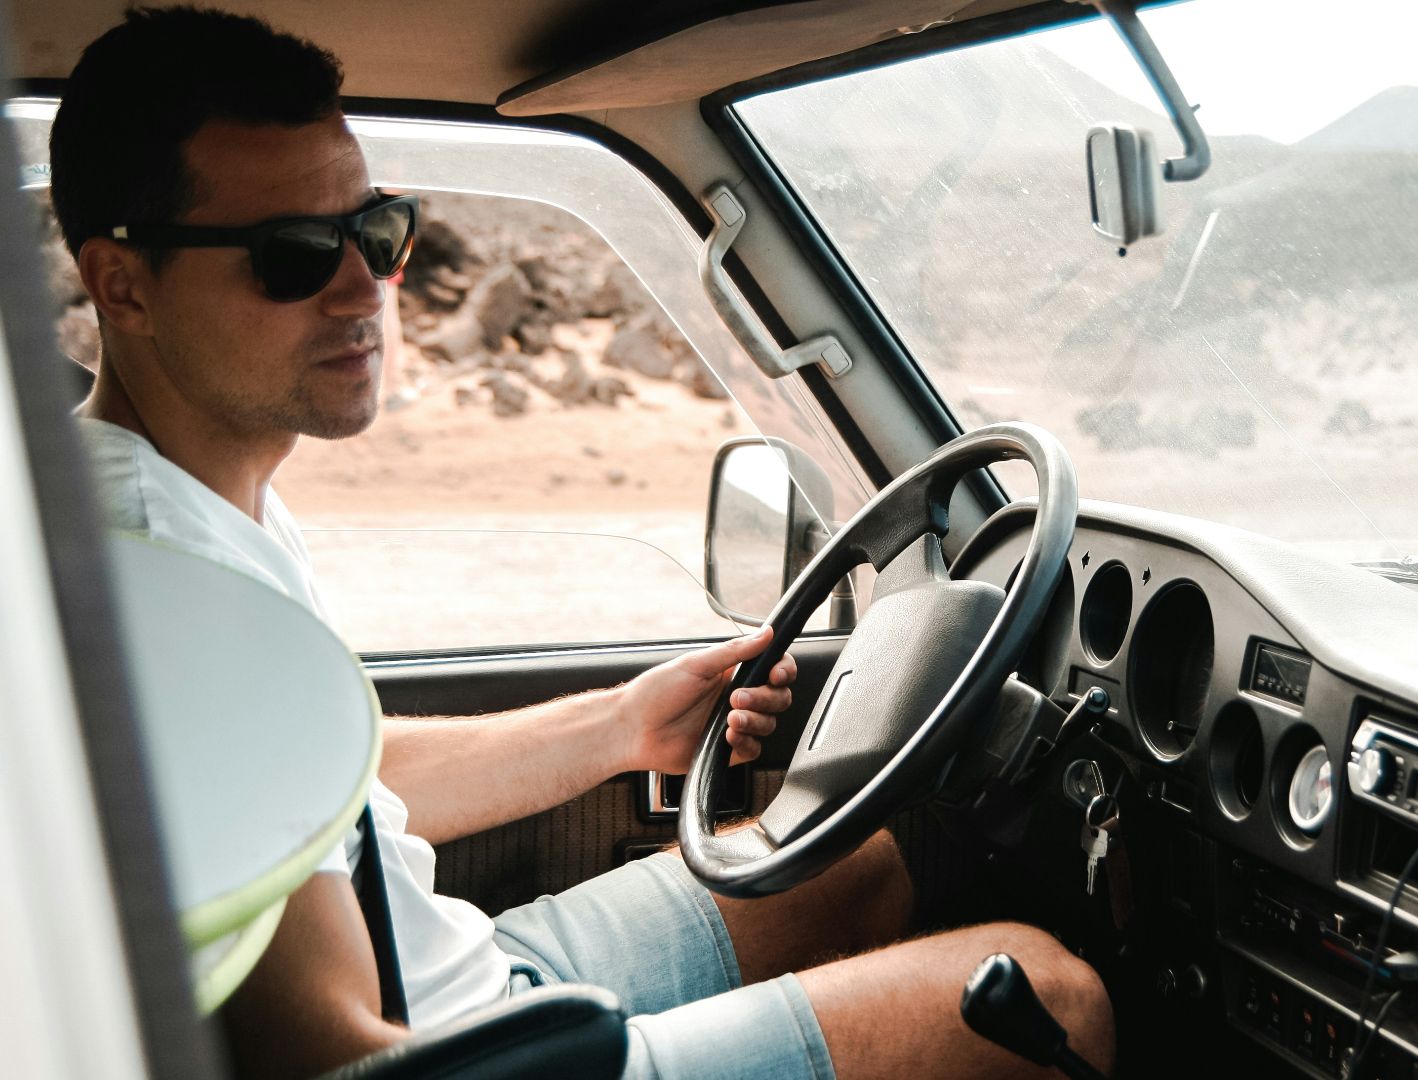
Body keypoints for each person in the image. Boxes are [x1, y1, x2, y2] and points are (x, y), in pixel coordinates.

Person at [53, 8, 1113, 1080]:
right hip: (451, 1051)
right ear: (122, 283)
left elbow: (326, 777)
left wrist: (617, 725)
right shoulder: (167, 604)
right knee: (1044, 993)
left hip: (461, 971)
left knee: (848, 871)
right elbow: (334, 1062)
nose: (363, 289)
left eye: (377, 234)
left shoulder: (178, 497)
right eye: (291, 256)